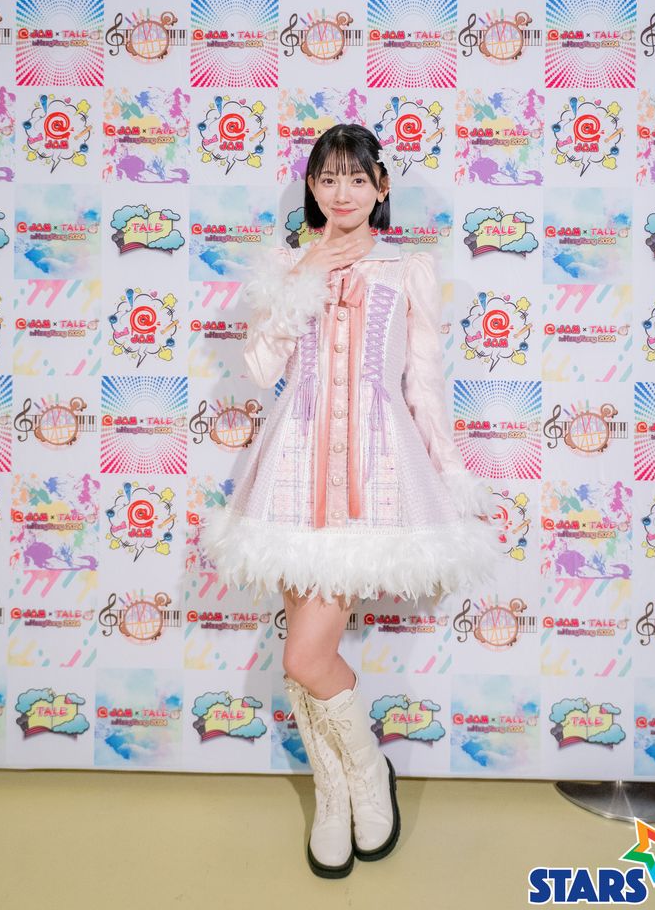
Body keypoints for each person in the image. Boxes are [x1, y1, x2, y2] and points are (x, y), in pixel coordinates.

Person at [202, 123, 503, 879]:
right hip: (291, 466)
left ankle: (367, 773)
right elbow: (259, 366)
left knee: (306, 654)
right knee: (304, 657)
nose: (342, 192)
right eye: (327, 178)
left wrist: (452, 476)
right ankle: (337, 793)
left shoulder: (408, 270)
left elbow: (422, 385)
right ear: (311, 186)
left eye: (356, 179)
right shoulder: (287, 262)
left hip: (375, 471)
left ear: (380, 187)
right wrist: (304, 272)